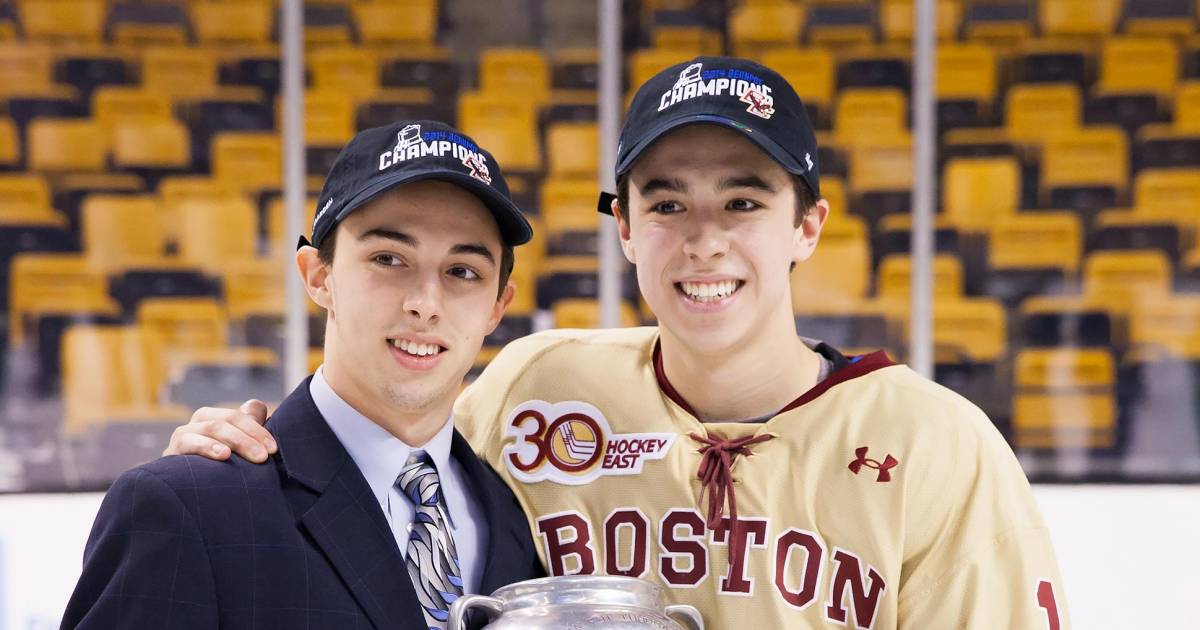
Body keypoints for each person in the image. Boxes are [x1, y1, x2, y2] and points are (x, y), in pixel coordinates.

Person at [165, 57, 1070, 628]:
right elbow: (377, 454)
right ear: (626, 229)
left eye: (744, 201)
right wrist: (238, 452)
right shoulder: (537, 387)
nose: (704, 238)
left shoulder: (938, 444)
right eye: (667, 202)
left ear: (808, 226)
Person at [62, 120, 544, 630]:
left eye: (463, 271)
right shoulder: (187, 506)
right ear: (319, 276)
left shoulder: (520, 518)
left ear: (497, 306)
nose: (425, 304)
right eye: (388, 258)